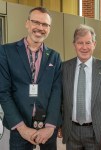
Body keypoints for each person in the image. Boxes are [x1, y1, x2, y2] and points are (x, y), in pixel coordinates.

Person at [0, 7, 62, 150]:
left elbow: (56, 93)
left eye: (45, 24)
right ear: (27, 23)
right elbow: (3, 92)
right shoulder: (6, 52)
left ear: (49, 28)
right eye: (35, 22)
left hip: (47, 127)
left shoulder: (55, 56)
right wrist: (22, 128)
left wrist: (51, 126)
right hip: (19, 127)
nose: (40, 28)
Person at [62, 24, 101, 150]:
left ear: (94, 44)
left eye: (88, 43)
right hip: (71, 131)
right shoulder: (64, 68)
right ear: (74, 44)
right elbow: (60, 99)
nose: (84, 47)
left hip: (97, 132)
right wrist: (61, 125)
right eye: (80, 43)